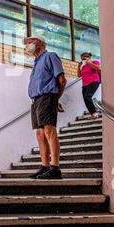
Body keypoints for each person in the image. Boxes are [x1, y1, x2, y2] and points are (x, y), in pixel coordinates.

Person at [24, 35, 67, 179]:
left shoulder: (50, 56)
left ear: (40, 42)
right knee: (40, 134)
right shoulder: (36, 62)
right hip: (36, 100)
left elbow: (61, 80)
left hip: (47, 97)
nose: (27, 44)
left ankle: (55, 168)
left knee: (49, 131)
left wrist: (55, 99)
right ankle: (45, 166)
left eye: (30, 41)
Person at [77, 52, 101, 119]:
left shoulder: (94, 62)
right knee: (85, 99)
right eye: (81, 59)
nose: (83, 61)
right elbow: (79, 75)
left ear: (89, 58)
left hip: (94, 82)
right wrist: (79, 66)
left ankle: (95, 113)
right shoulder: (83, 66)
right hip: (85, 84)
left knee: (88, 97)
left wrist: (89, 63)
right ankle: (93, 114)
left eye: (84, 59)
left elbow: (99, 69)